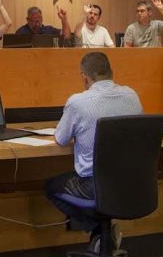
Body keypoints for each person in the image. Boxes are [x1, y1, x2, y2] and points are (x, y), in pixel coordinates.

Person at [45, 52, 142, 237]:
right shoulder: (132, 96)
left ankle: (96, 229)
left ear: (84, 77)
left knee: (51, 186)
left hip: (93, 185)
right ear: (111, 72)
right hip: (133, 182)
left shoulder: (78, 102)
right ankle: (102, 237)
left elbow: (60, 139)